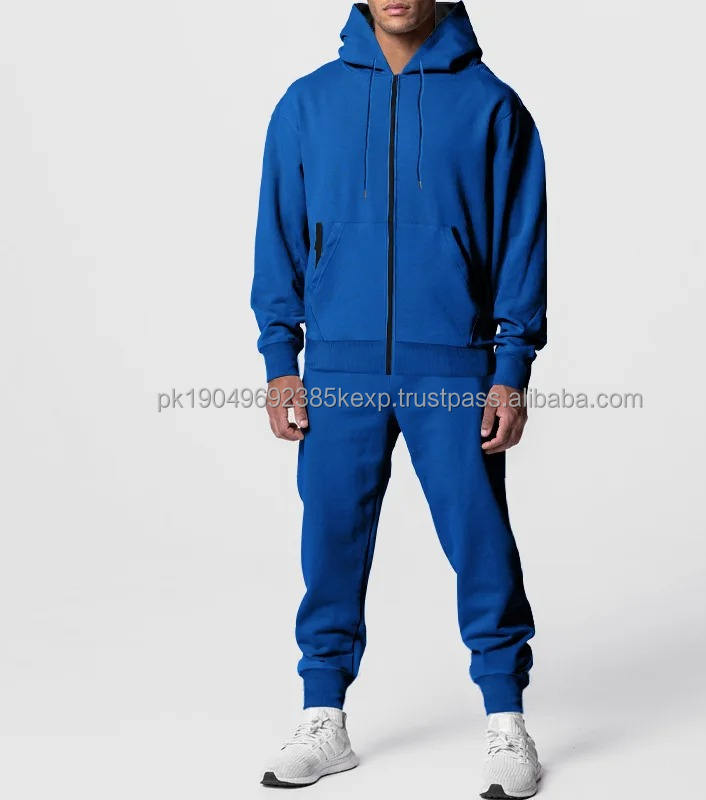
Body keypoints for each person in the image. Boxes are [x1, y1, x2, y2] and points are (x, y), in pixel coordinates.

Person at [251, 1, 547, 797]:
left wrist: (510, 367)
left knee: (479, 538)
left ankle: (506, 721)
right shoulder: (308, 103)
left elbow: (523, 244)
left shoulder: (491, 105)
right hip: (337, 364)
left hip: (453, 363)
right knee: (330, 540)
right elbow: (278, 235)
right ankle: (324, 716)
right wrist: (281, 360)